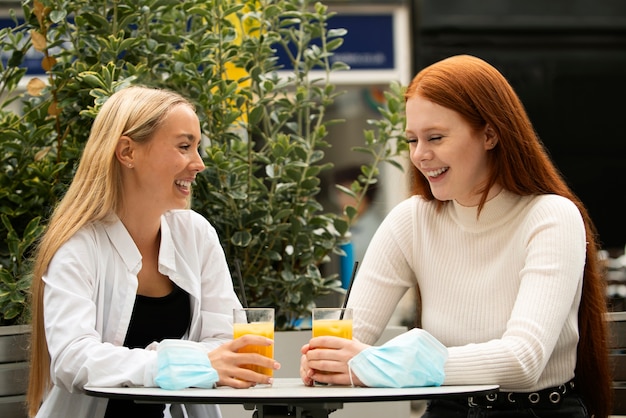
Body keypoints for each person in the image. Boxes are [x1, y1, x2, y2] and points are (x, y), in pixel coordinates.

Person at [300, 55, 612, 418]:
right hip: (447, 410)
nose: (420, 155)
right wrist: (328, 360)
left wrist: (381, 365)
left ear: (490, 134)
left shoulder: (550, 217)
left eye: (435, 137)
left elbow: (523, 362)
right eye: (412, 140)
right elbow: (350, 342)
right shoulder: (411, 220)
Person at [27, 86, 280, 418]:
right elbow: (73, 359)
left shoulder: (196, 234)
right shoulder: (79, 247)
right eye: (184, 146)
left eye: (197, 148)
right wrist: (179, 362)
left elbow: (226, 342)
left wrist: (183, 362)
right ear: (128, 152)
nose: (199, 164)